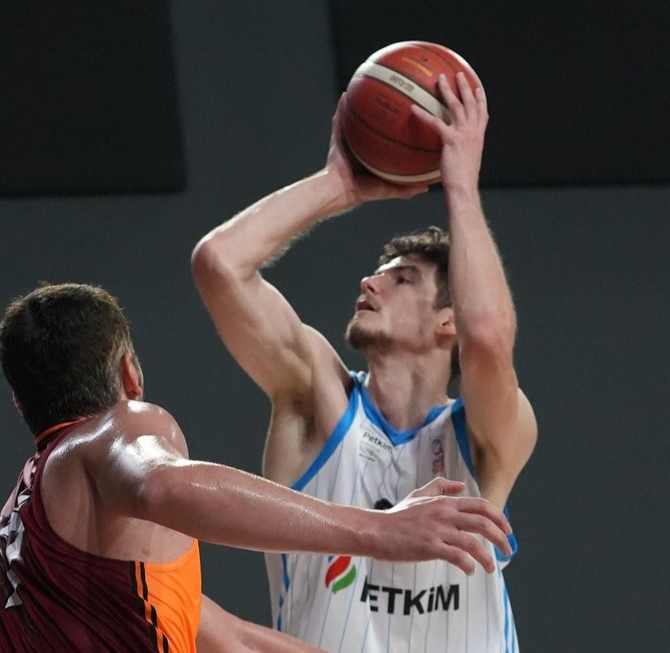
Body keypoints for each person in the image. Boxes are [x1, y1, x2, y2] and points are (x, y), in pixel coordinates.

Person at [0, 282, 512, 652]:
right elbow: (163, 486)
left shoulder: (29, 533)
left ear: (22, 404)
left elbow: (232, 639)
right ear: (131, 374)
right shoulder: (122, 429)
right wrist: (381, 529)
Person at [192, 73, 537, 651]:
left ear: (446, 321)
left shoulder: (489, 436)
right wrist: (338, 186)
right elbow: (218, 263)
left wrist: (461, 186)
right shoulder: (316, 395)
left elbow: (486, 336)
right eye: (377, 274)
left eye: (401, 279)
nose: (369, 283)